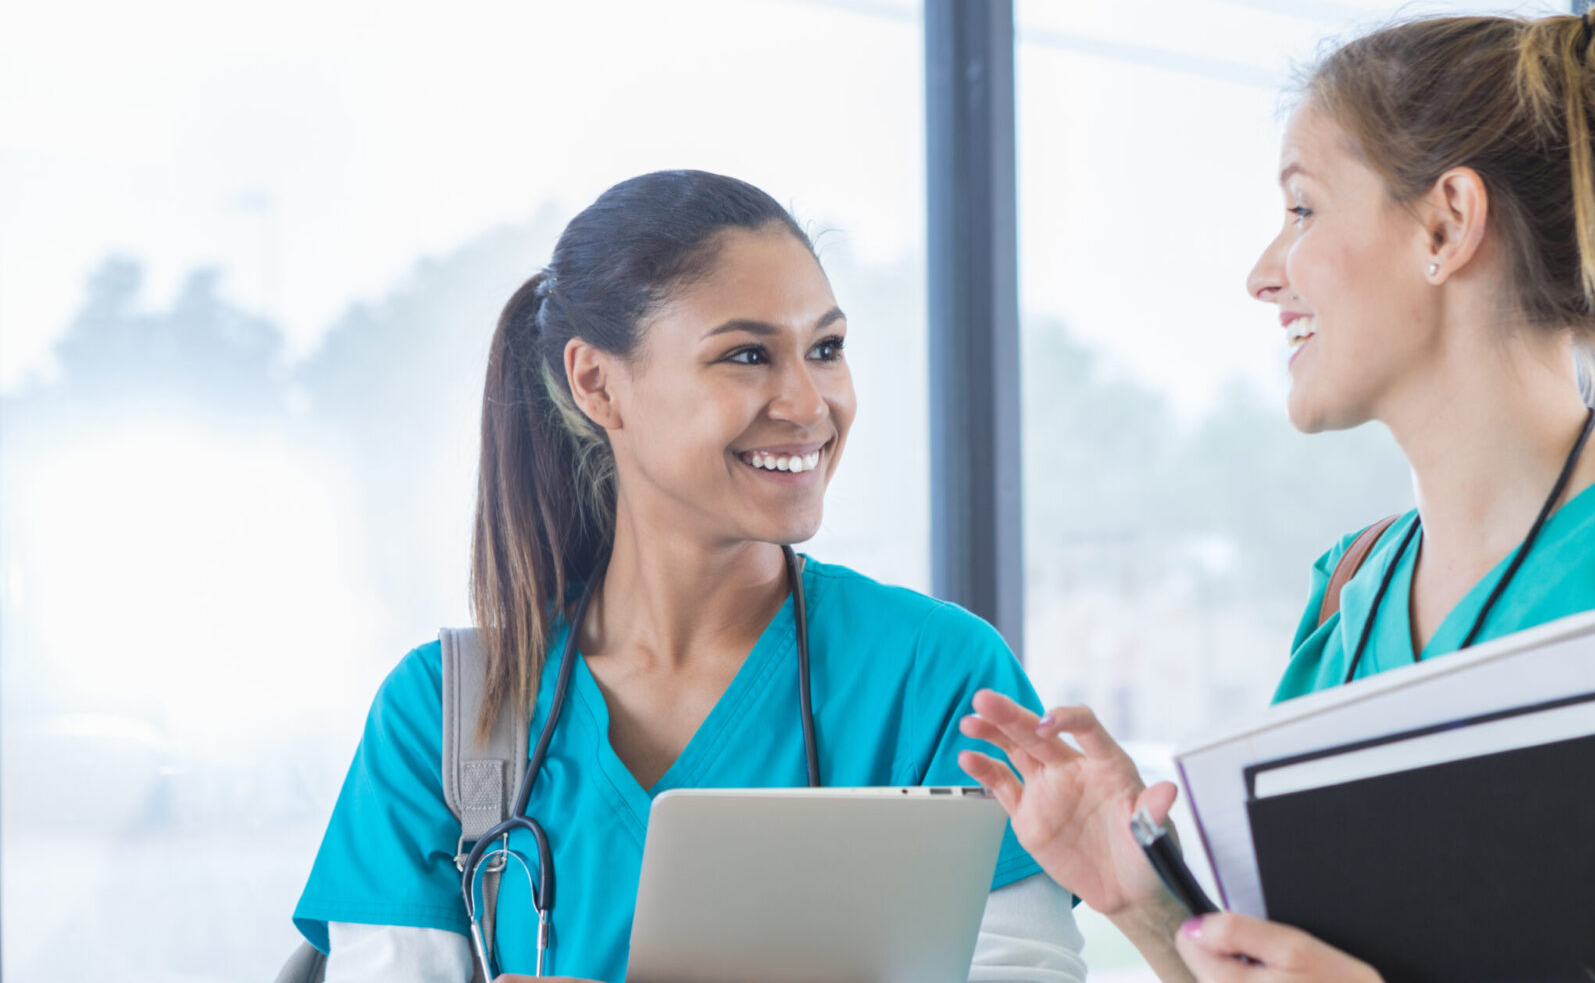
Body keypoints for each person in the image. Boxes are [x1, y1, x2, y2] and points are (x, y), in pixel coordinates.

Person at [959, 0, 1595, 983]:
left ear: (1446, 224)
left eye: (1300, 208)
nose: (1263, 272)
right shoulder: (1347, 599)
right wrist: (1145, 901)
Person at [292, 170, 1085, 982]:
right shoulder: (447, 717)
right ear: (597, 382)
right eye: (748, 355)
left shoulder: (940, 678)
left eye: (827, 349)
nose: (810, 404)